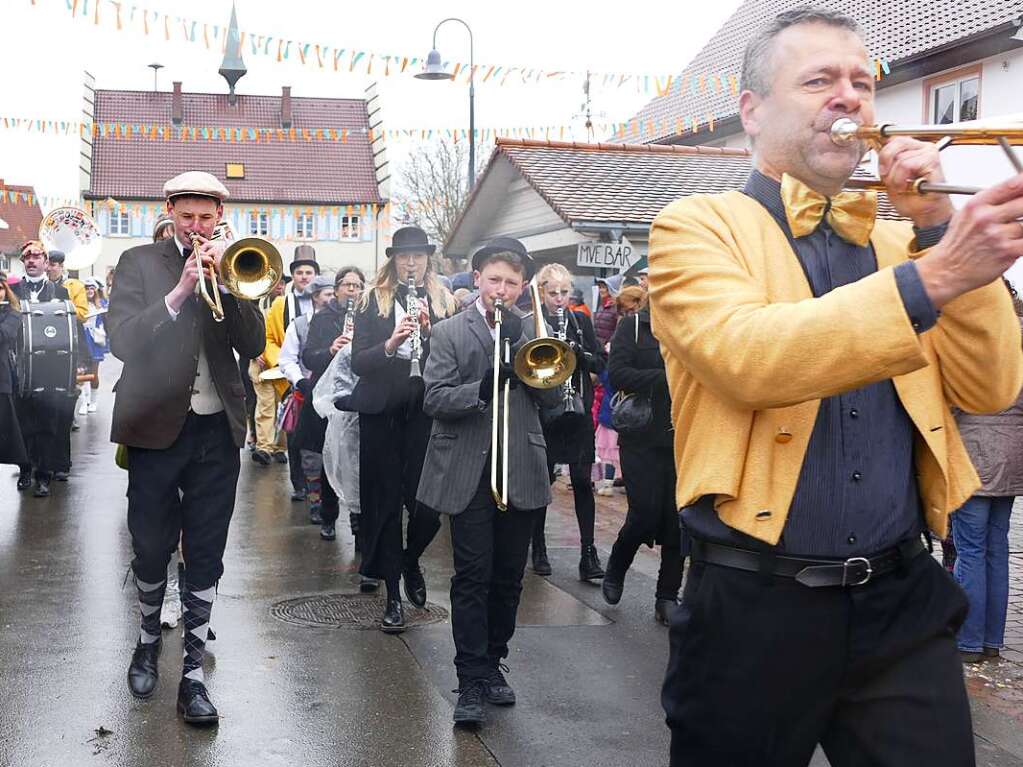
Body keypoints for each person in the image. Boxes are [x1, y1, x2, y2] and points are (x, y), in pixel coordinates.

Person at [650, 8, 1023, 766]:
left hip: (900, 594)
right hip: (752, 603)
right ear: (751, 112)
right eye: (818, 79)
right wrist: (938, 273)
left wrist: (936, 229)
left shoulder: (901, 241)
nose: (847, 97)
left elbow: (988, 386)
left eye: (860, 82)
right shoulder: (695, 225)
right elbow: (747, 357)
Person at [107, 171, 265, 725]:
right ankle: (148, 637)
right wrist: (178, 293)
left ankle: (193, 672)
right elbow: (121, 339)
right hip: (153, 426)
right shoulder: (138, 263)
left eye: (207, 217)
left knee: (205, 551)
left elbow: (253, 343)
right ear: (169, 209)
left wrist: (230, 287)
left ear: (220, 215)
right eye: (188, 216)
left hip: (215, 429)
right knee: (151, 546)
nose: (198, 227)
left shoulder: (238, 261)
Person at [417, 237, 560, 726]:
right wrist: (481, 387)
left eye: (512, 283)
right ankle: (471, 677)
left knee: (508, 577)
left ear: (523, 288)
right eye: (494, 280)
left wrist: (542, 371)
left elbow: (555, 404)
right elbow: (434, 398)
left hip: (519, 464)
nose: (502, 290)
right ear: (477, 279)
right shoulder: (450, 331)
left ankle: (494, 659)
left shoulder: (533, 331)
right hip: (469, 469)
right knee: (472, 575)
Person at [348, 226, 453, 633]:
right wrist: (391, 343)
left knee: (427, 505)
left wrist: (430, 334)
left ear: (428, 259)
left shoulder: (444, 301)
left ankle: (411, 560)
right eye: (404, 256)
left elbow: (452, 360)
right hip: (382, 414)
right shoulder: (371, 301)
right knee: (387, 505)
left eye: (418, 256)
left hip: (424, 413)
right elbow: (358, 362)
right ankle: (393, 596)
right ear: (393, 260)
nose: (411, 263)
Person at [952, 279, 1023, 664]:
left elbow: (955, 404)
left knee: (971, 550)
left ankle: (968, 642)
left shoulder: (976, 345)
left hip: (975, 458)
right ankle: (992, 640)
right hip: (1012, 459)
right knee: (997, 549)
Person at [602, 290, 682, 626]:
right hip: (641, 436)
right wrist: (667, 378)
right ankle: (618, 564)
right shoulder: (634, 326)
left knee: (680, 522)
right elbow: (617, 374)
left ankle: (667, 596)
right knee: (645, 512)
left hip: (684, 437)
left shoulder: (694, 328)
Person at [529, 263, 606, 581]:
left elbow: (601, 361)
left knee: (583, 482)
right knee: (542, 482)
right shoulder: (534, 321)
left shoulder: (579, 320)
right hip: (546, 413)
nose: (559, 299)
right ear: (542, 293)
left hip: (576, 410)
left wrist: (579, 355)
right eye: (553, 293)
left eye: (564, 293)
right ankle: (539, 547)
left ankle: (589, 552)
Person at [305, 266, 365, 543]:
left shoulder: (369, 316)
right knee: (331, 455)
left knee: (356, 461)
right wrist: (331, 350)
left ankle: (357, 516)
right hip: (329, 398)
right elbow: (308, 357)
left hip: (358, 396)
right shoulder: (322, 318)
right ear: (337, 288)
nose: (352, 291)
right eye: (347, 285)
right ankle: (328, 516)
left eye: (357, 286)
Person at [11, 241, 71, 497]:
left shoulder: (60, 291)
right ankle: (26, 469)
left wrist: (77, 362)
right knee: (23, 423)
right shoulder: (12, 289)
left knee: (48, 422)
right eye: (27, 257)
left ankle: (44, 475)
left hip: (51, 367)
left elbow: (70, 330)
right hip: (18, 367)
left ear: (47, 262)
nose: (32, 261)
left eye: (37, 257)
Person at [259, 245, 320, 488]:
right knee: (294, 432)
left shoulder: (325, 302)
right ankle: (298, 483)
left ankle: (316, 483)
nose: (304, 276)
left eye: (309, 272)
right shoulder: (280, 305)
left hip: (318, 376)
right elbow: (269, 339)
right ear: (293, 276)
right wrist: (281, 363)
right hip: (291, 377)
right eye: (299, 272)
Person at [279, 274, 334, 527]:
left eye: (335, 293)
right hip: (307, 392)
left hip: (334, 395)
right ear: (315, 297)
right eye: (328, 294)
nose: (333, 298)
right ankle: (315, 503)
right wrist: (301, 381)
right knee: (309, 451)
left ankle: (330, 504)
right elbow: (287, 358)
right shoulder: (300, 324)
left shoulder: (343, 321)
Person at [0, 274, 29, 470]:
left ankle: (25, 467)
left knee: (8, 432)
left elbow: (4, 335)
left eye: (0, 287)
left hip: (1, 380)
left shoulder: (13, 313)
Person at [79, 278, 108, 415]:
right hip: (83, 340)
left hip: (95, 341)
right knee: (82, 373)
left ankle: (94, 401)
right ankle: (84, 402)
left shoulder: (101, 304)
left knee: (94, 374)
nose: (89, 291)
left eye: (92, 288)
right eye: (86, 288)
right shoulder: (80, 304)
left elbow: (108, 322)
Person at [592, 275, 622, 347]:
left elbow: (619, 329)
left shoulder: (617, 307)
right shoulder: (602, 305)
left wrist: (610, 343)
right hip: (599, 346)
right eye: (600, 287)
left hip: (609, 348)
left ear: (611, 289)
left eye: (603, 287)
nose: (600, 290)